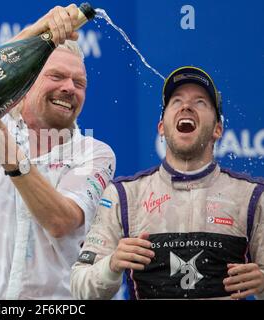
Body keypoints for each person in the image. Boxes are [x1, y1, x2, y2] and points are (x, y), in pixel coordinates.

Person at [0, 4, 116, 299]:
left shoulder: (94, 152)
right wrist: (35, 31)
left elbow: (61, 222)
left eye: (79, 83)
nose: (69, 88)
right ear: (25, 82)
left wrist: (15, 163)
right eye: (57, 76)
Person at [70, 66, 264, 300]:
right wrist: (111, 265)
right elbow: (81, 288)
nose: (186, 106)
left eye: (200, 102)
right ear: (161, 127)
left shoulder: (252, 196)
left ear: (218, 129)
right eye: (176, 101)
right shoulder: (123, 195)